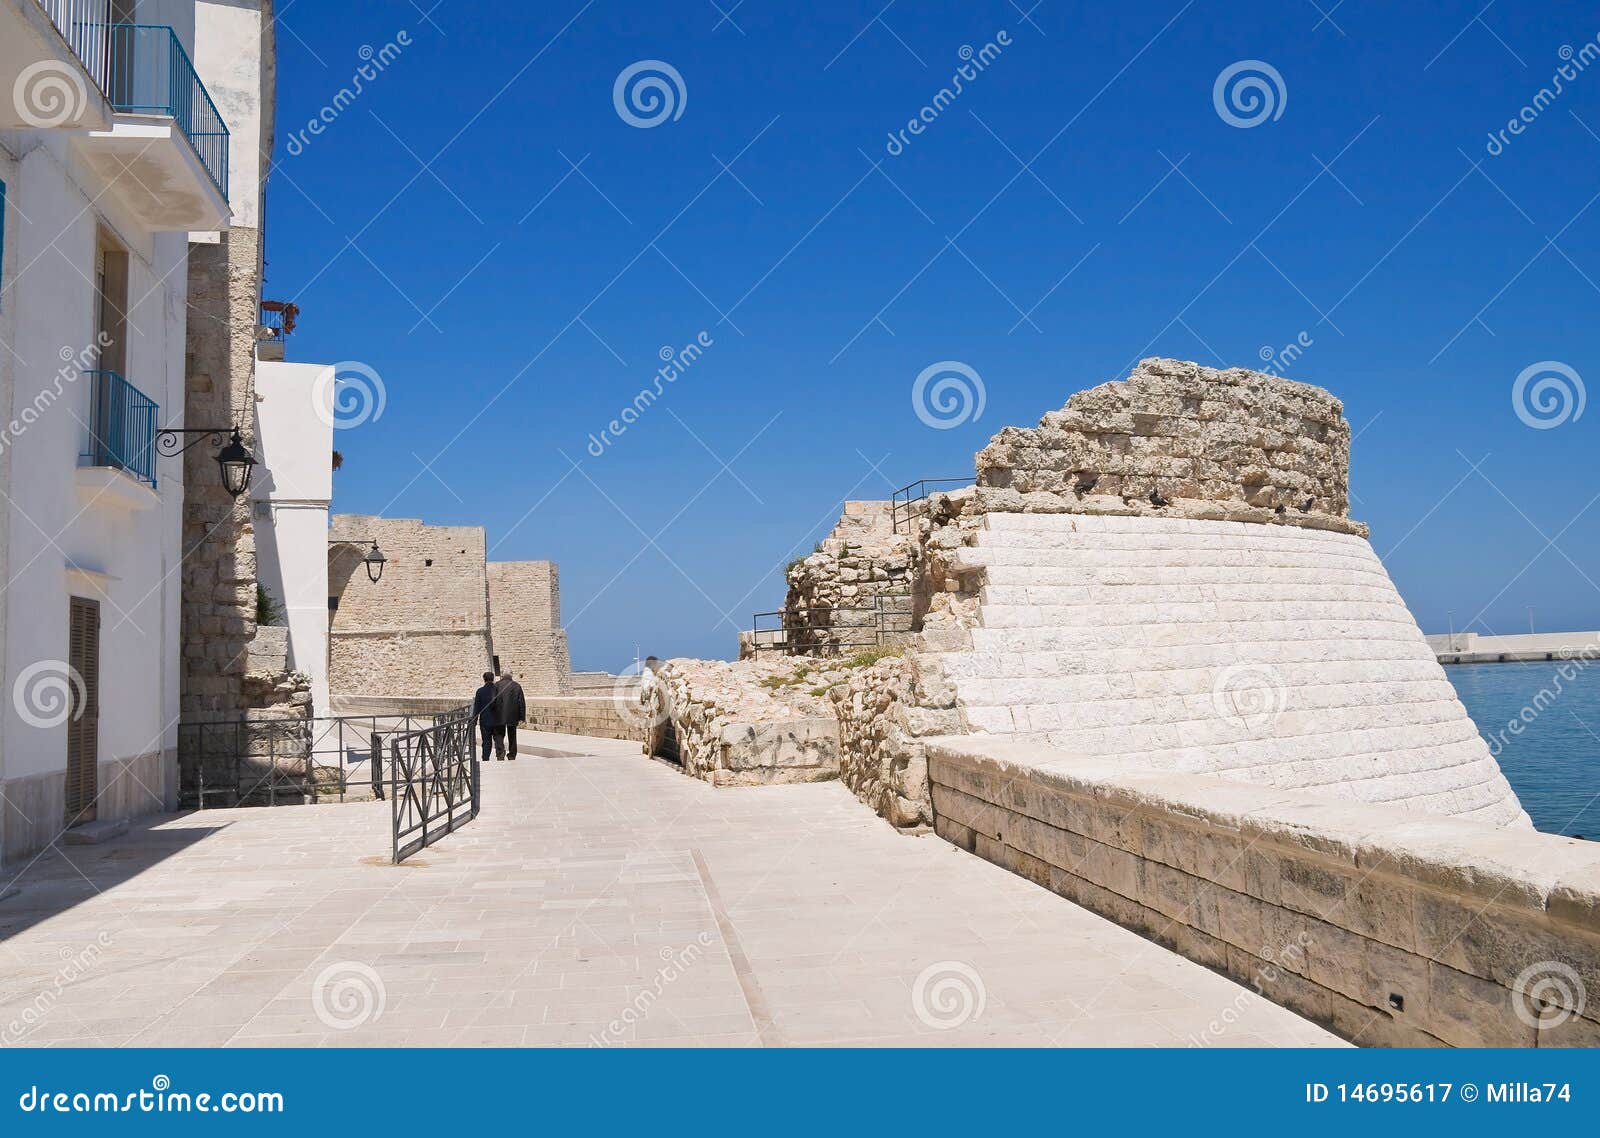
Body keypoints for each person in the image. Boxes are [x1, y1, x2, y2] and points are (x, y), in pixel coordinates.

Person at [471, 670, 504, 761]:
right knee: (499, 739)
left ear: (484, 679)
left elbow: (476, 707)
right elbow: (502, 705)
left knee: (486, 741)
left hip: (485, 721)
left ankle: (485, 758)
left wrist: (474, 721)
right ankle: (500, 756)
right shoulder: (498, 690)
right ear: (493, 679)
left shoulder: (480, 691)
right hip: (498, 720)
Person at [496, 670, 526, 759]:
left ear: (502, 675)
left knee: (499, 734)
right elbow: (521, 703)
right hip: (513, 715)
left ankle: (500, 753)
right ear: (511, 676)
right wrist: (522, 717)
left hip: (499, 714)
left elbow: (493, 700)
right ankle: (512, 754)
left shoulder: (496, 685)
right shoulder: (517, 686)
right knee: (512, 735)